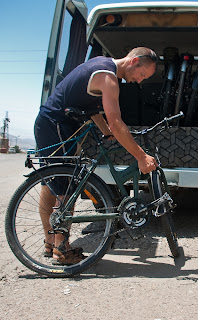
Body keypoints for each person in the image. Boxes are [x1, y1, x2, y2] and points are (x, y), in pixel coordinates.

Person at [34, 47, 159, 264]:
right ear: (134, 61)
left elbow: (90, 107)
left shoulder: (101, 63)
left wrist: (105, 130)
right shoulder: (108, 78)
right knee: (66, 188)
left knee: (51, 184)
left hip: (49, 122)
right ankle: (61, 249)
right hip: (56, 125)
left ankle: (50, 242)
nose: (139, 81)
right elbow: (117, 122)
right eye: (142, 74)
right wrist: (140, 156)